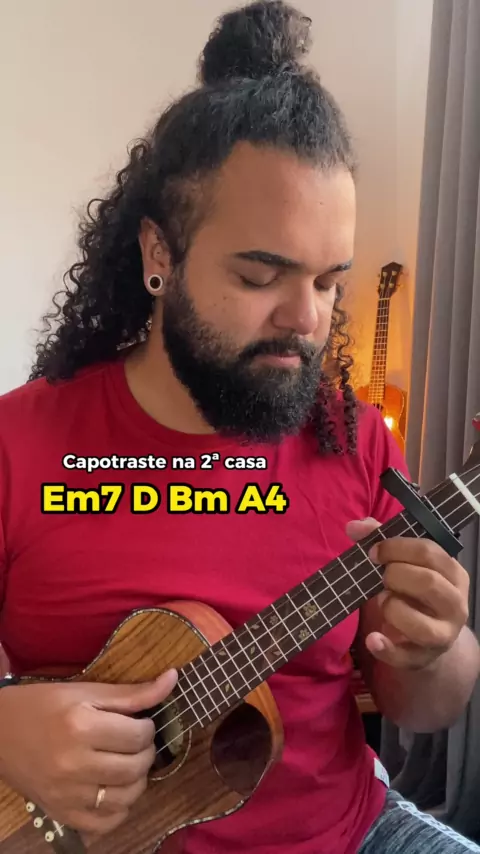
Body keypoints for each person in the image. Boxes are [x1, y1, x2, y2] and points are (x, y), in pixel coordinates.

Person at [0, 2, 479, 852]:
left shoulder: (356, 441)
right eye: (262, 275)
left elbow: (422, 706)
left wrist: (435, 645)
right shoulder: (20, 441)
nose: (308, 318)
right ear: (160, 255)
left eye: (329, 281)